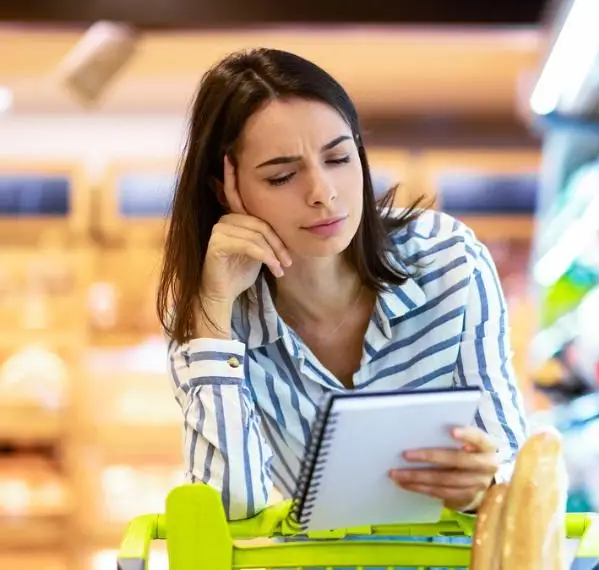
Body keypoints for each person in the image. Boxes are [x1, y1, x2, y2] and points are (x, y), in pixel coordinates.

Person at [155, 47, 528, 538]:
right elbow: (228, 516)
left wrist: (483, 486)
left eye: (337, 157)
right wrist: (212, 316)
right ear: (226, 190)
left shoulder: (446, 262)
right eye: (282, 176)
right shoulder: (214, 316)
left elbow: (513, 471)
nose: (323, 192)